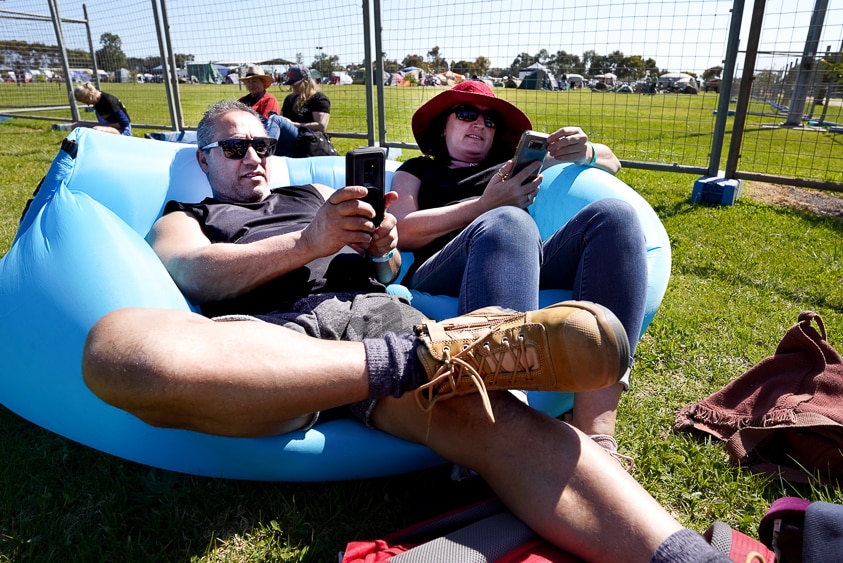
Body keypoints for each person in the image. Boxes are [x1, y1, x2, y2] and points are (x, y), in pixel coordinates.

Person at [82, 100, 732, 563]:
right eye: (234, 146)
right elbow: (196, 274)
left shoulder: (310, 196)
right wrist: (307, 244)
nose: (253, 156)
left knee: (510, 429)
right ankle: (442, 355)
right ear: (203, 158)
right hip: (272, 336)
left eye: (262, 144)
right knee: (120, 352)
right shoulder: (187, 212)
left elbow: (388, 270)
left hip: (374, 317)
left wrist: (382, 247)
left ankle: (683, 556)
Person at [389, 80, 647, 463]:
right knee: (509, 220)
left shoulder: (515, 167)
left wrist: (588, 150)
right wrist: (485, 205)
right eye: (466, 113)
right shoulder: (418, 170)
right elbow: (402, 228)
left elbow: (613, 163)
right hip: (440, 268)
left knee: (616, 217)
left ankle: (597, 434)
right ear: (443, 126)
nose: (480, 123)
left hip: (520, 259)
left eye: (490, 120)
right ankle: (502, 434)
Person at [266, 65, 331, 157]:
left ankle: (265, 149)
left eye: (296, 83)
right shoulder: (290, 98)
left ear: (306, 82)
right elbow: (283, 119)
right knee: (263, 118)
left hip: (306, 137)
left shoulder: (319, 99)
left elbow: (321, 126)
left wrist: (294, 124)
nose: (293, 86)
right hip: (290, 137)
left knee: (275, 119)